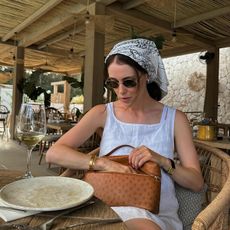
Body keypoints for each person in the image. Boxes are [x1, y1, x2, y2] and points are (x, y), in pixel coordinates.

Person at [46, 38, 204, 230]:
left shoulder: (175, 119)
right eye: (113, 83)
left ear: (146, 76)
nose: (120, 91)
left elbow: (196, 183)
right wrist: (102, 162)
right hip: (105, 205)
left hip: (153, 212)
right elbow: (54, 153)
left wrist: (162, 161)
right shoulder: (102, 113)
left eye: (129, 82)